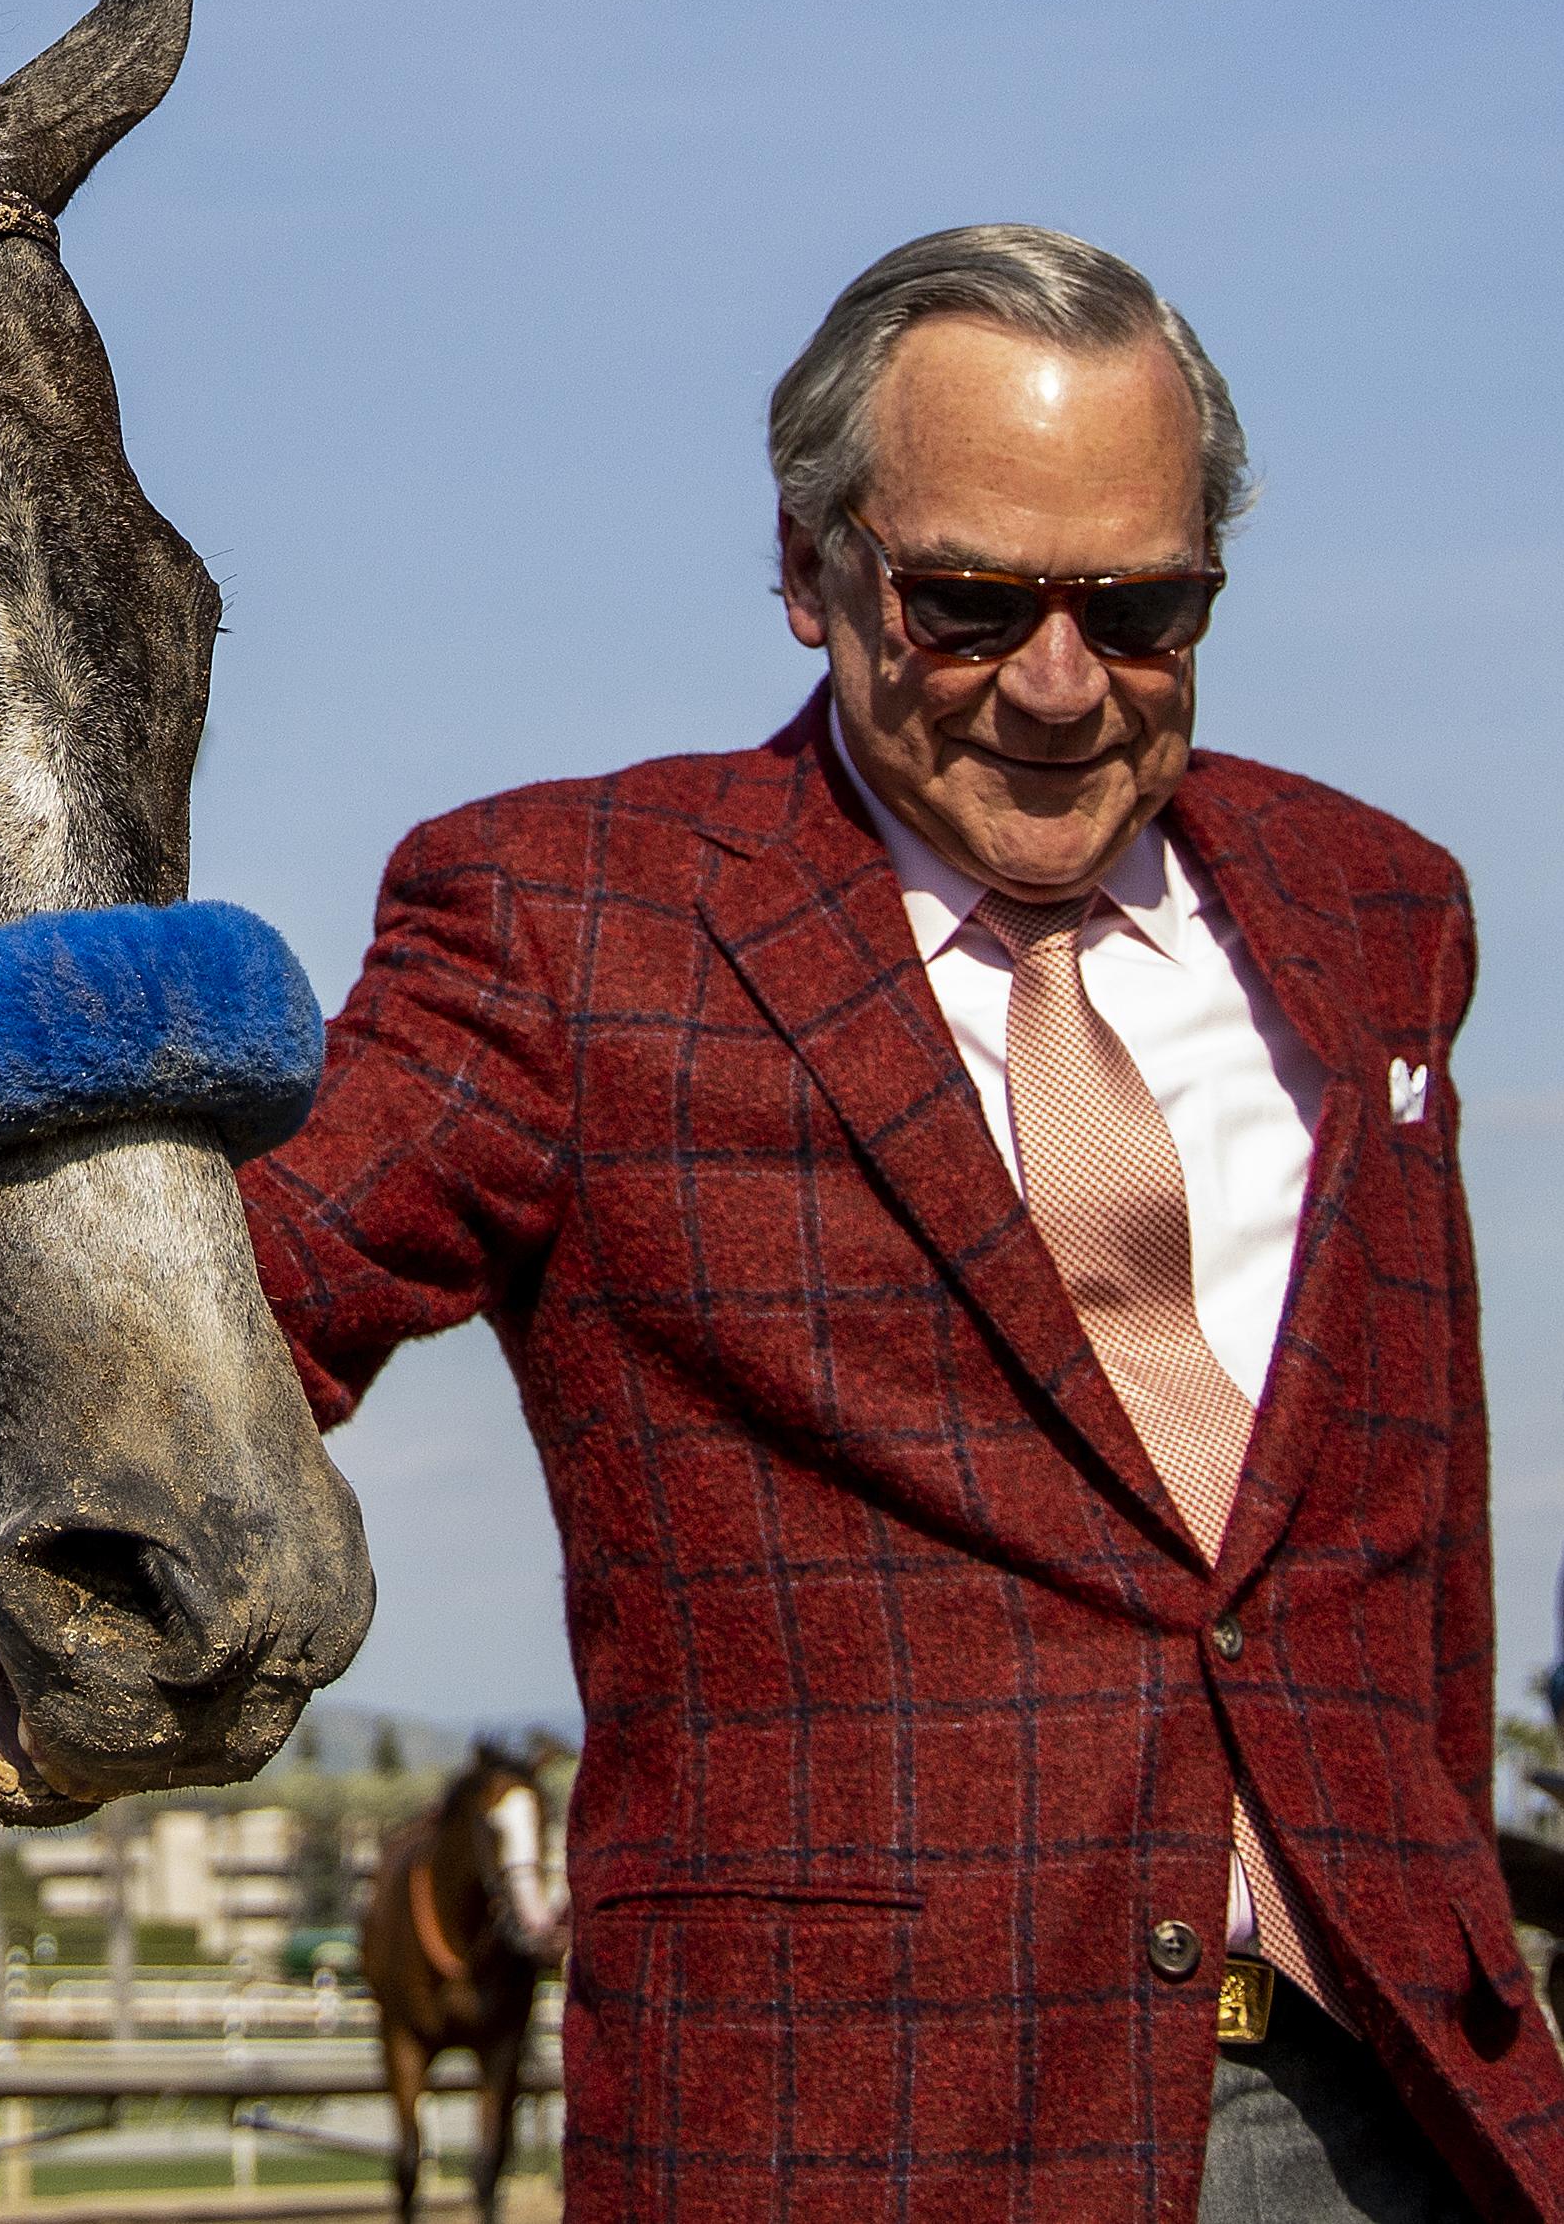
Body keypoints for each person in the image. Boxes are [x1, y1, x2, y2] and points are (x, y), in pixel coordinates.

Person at [246, 225, 1564, 2222]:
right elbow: (231, 1310)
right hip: (857, 2135)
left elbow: (1420, 1532)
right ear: (808, 567)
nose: (1059, 683)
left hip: (1407, 2111)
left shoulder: (1379, 907)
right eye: (967, 603)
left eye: (1141, 608)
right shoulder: (568, 923)